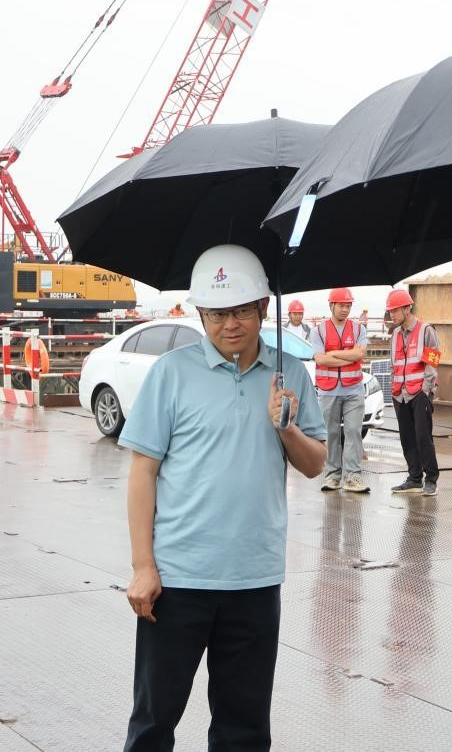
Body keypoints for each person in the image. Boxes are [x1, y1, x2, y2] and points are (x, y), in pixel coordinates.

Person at [120, 244, 326, 751]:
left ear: (263, 307)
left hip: (255, 580)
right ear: (200, 314)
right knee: (153, 723)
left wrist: (287, 428)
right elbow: (143, 473)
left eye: (241, 311)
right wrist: (143, 566)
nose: (229, 324)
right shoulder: (171, 373)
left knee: (244, 730)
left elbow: (315, 464)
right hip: (177, 581)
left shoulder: (290, 375)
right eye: (216, 313)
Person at [385, 288, 441, 496]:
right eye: (390, 311)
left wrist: (426, 391)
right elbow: (393, 365)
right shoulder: (394, 335)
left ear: (407, 309)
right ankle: (414, 478)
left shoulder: (426, 331)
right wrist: (394, 389)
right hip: (400, 394)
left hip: (419, 392)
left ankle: (431, 479)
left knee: (423, 436)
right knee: (406, 437)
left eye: (395, 310)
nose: (392, 315)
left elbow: (433, 362)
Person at [313, 288, 369, 493]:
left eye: (348, 305)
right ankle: (332, 476)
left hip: (353, 389)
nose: (345, 309)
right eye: (341, 305)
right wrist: (348, 356)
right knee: (331, 433)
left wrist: (334, 353)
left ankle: (353, 477)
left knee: (353, 431)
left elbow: (359, 354)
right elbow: (320, 358)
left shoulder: (358, 329)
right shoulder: (319, 330)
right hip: (328, 390)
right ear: (331, 305)